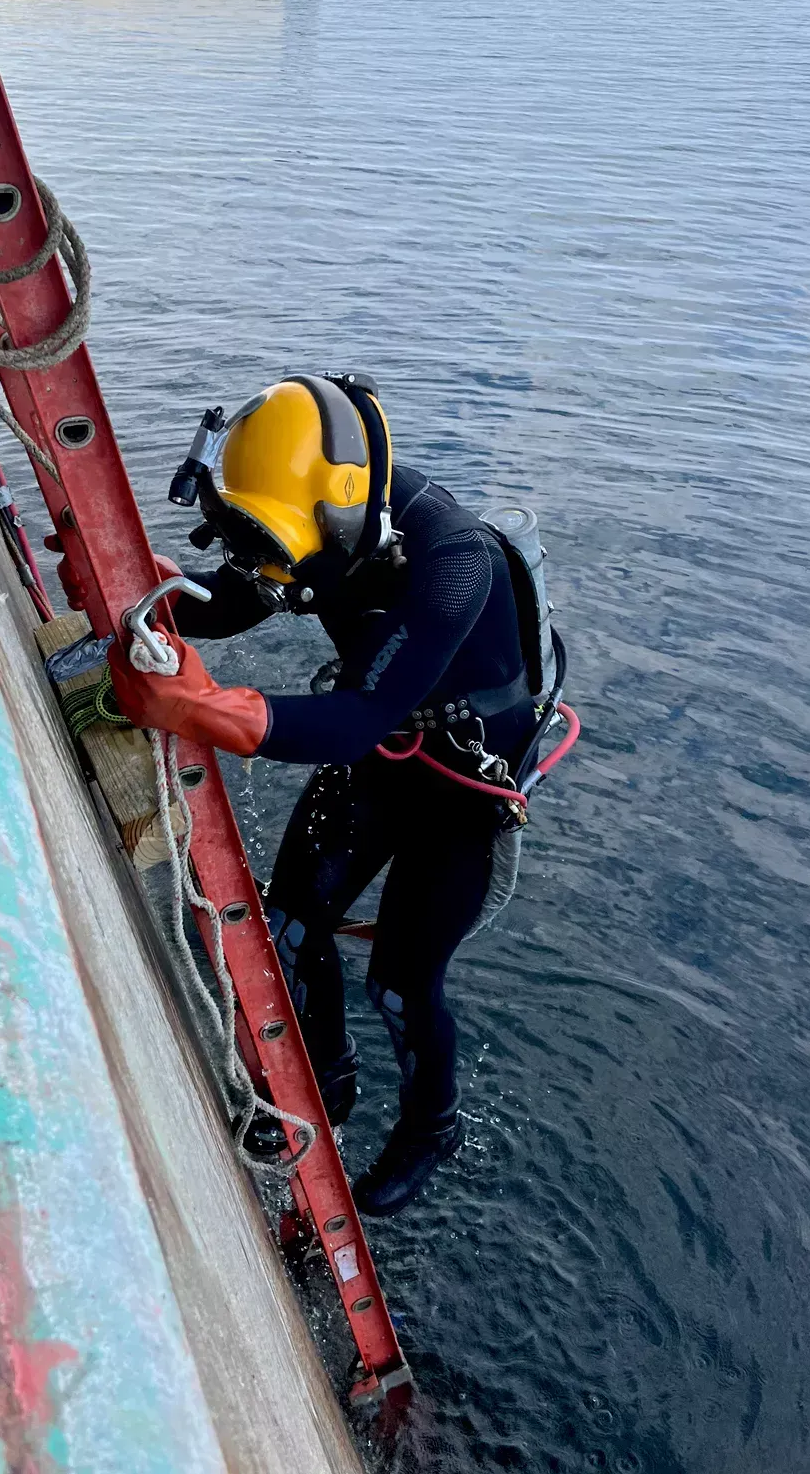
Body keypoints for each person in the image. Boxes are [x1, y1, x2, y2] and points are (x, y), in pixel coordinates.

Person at [111, 372, 561, 1217]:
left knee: (399, 980)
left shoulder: (453, 562)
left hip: (458, 797)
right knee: (291, 920)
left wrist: (206, 709)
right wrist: (181, 589)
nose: (272, 569)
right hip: (385, 758)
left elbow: (355, 717)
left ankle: (432, 1125)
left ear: (337, 514)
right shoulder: (335, 526)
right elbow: (266, 585)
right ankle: (322, 1077)